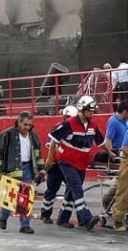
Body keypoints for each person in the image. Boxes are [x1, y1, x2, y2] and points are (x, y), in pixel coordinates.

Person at [43, 95, 109, 231]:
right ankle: (86, 219)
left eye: (93, 111)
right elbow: (53, 141)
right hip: (65, 162)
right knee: (73, 189)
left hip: (81, 164)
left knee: (71, 192)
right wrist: (49, 159)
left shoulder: (92, 126)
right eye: (90, 111)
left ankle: (63, 219)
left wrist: (111, 153)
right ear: (82, 110)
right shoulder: (68, 124)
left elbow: (101, 142)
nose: (92, 114)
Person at [0, 111, 45, 234]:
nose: (27, 127)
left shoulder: (33, 136)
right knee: (9, 197)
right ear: (19, 122)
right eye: (25, 124)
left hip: (27, 169)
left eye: (30, 125)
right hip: (11, 170)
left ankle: (25, 225)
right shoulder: (7, 135)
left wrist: (41, 169)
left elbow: (38, 154)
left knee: (25, 198)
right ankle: (4, 217)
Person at [40, 105, 79, 225]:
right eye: (67, 117)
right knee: (52, 189)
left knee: (71, 191)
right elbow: (50, 145)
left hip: (69, 165)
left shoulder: (77, 130)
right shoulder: (58, 128)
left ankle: (64, 218)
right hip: (56, 164)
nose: (68, 119)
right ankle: (45, 214)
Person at [95, 100, 128, 211]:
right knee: (127, 179)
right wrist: (112, 155)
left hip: (127, 151)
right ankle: (125, 208)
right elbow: (108, 141)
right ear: (125, 111)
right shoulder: (113, 122)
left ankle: (108, 200)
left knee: (123, 180)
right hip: (119, 152)